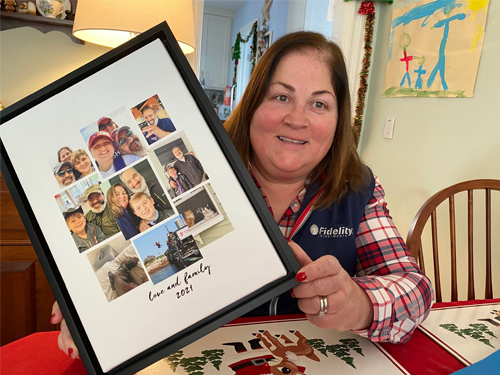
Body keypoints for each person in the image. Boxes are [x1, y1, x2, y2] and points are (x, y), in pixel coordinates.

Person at [53, 31, 433, 359]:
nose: (297, 118)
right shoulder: (205, 168)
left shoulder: (358, 187)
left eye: (319, 103)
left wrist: (361, 304)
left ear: (337, 120)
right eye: (281, 97)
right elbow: (136, 255)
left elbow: (412, 287)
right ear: (253, 104)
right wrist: (90, 303)